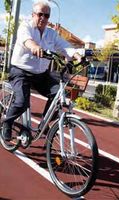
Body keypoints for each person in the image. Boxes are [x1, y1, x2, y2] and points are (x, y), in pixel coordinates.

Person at [2, 1, 82, 141]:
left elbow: (64, 46)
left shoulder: (51, 34)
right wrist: (34, 46)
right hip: (21, 72)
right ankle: (7, 123)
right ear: (33, 15)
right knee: (21, 102)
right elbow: (25, 39)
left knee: (58, 94)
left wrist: (77, 56)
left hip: (41, 75)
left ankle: (44, 126)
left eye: (46, 15)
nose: (43, 18)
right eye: (40, 14)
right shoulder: (25, 26)